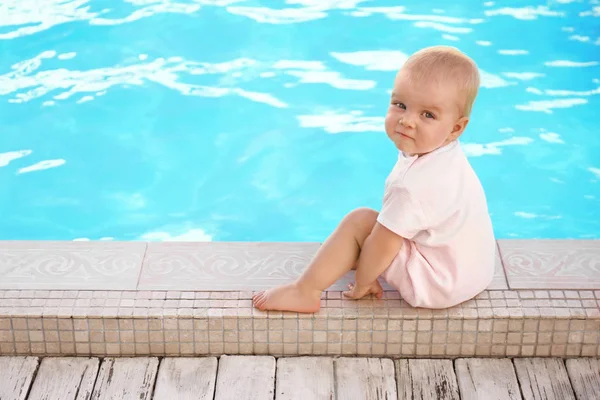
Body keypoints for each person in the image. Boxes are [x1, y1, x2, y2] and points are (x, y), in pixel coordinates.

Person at [252, 45, 496, 313]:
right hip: (473, 272)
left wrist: (363, 282)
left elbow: (384, 242)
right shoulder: (448, 156)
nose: (407, 121)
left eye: (427, 115)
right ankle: (349, 255)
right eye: (400, 105)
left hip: (437, 286)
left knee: (360, 222)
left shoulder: (412, 185)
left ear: (456, 127)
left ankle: (304, 291)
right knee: (379, 228)